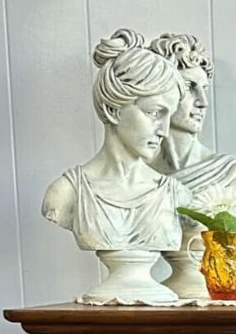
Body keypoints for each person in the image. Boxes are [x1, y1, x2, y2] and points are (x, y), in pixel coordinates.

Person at [42, 30, 191, 303]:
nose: (165, 130)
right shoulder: (65, 194)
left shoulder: (176, 194)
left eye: (169, 116)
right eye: (155, 113)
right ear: (113, 109)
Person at [149, 33, 236, 296]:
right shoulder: (138, 177)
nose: (203, 101)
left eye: (204, 89)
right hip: (163, 296)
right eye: (190, 87)